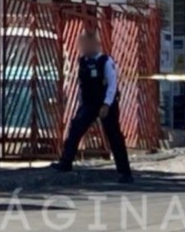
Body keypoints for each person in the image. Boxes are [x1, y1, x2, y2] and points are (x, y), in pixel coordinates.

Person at [52, 31, 133, 183]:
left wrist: (107, 104)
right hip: (89, 103)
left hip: (105, 103)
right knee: (76, 128)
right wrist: (80, 103)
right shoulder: (83, 61)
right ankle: (66, 162)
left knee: (114, 136)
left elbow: (112, 85)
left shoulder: (105, 61)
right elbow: (82, 85)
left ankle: (125, 172)